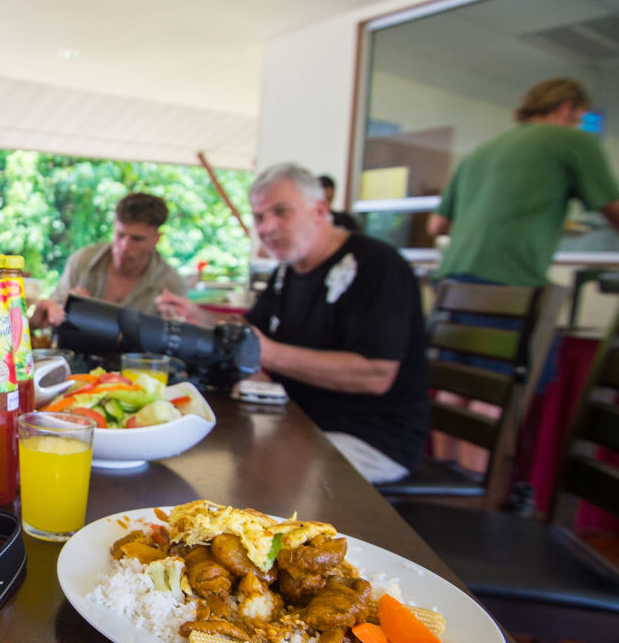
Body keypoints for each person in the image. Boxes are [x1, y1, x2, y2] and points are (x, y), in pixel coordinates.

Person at [158, 163, 429, 484]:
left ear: (320, 210)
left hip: (370, 439)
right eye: (259, 217)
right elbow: (252, 331)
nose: (267, 227)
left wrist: (265, 352)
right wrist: (201, 317)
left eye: (281, 212)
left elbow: (377, 375)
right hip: (296, 424)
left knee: (250, 479)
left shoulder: (376, 266)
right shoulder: (286, 272)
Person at [429, 77, 619, 285]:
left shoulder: (480, 152)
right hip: (508, 279)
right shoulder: (573, 141)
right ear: (566, 108)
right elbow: (613, 210)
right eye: (578, 120)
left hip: (450, 278)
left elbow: (437, 226)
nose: (577, 126)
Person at [29, 192, 187, 328]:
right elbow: (51, 313)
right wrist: (63, 307)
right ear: (113, 228)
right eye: (120, 235)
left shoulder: (170, 284)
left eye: (137, 239)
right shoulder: (82, 261)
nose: (124, 246)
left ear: (156, 239)